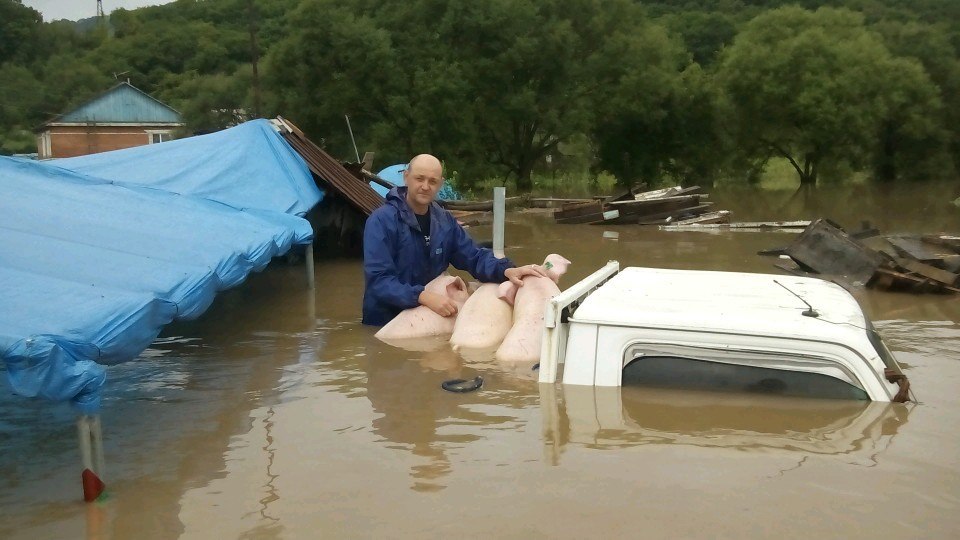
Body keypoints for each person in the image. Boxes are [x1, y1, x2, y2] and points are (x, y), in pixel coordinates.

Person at [362, 154, 545, 326]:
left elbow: (473, 257)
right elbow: (379, 280)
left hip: (428, 314)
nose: (425, 186)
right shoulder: (381, 221)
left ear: (440, 184)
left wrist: (506, 269)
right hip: (383, 322)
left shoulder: (444, 221)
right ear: (406, 177)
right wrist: (422, 296)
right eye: (419, 178)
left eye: (432, 181)